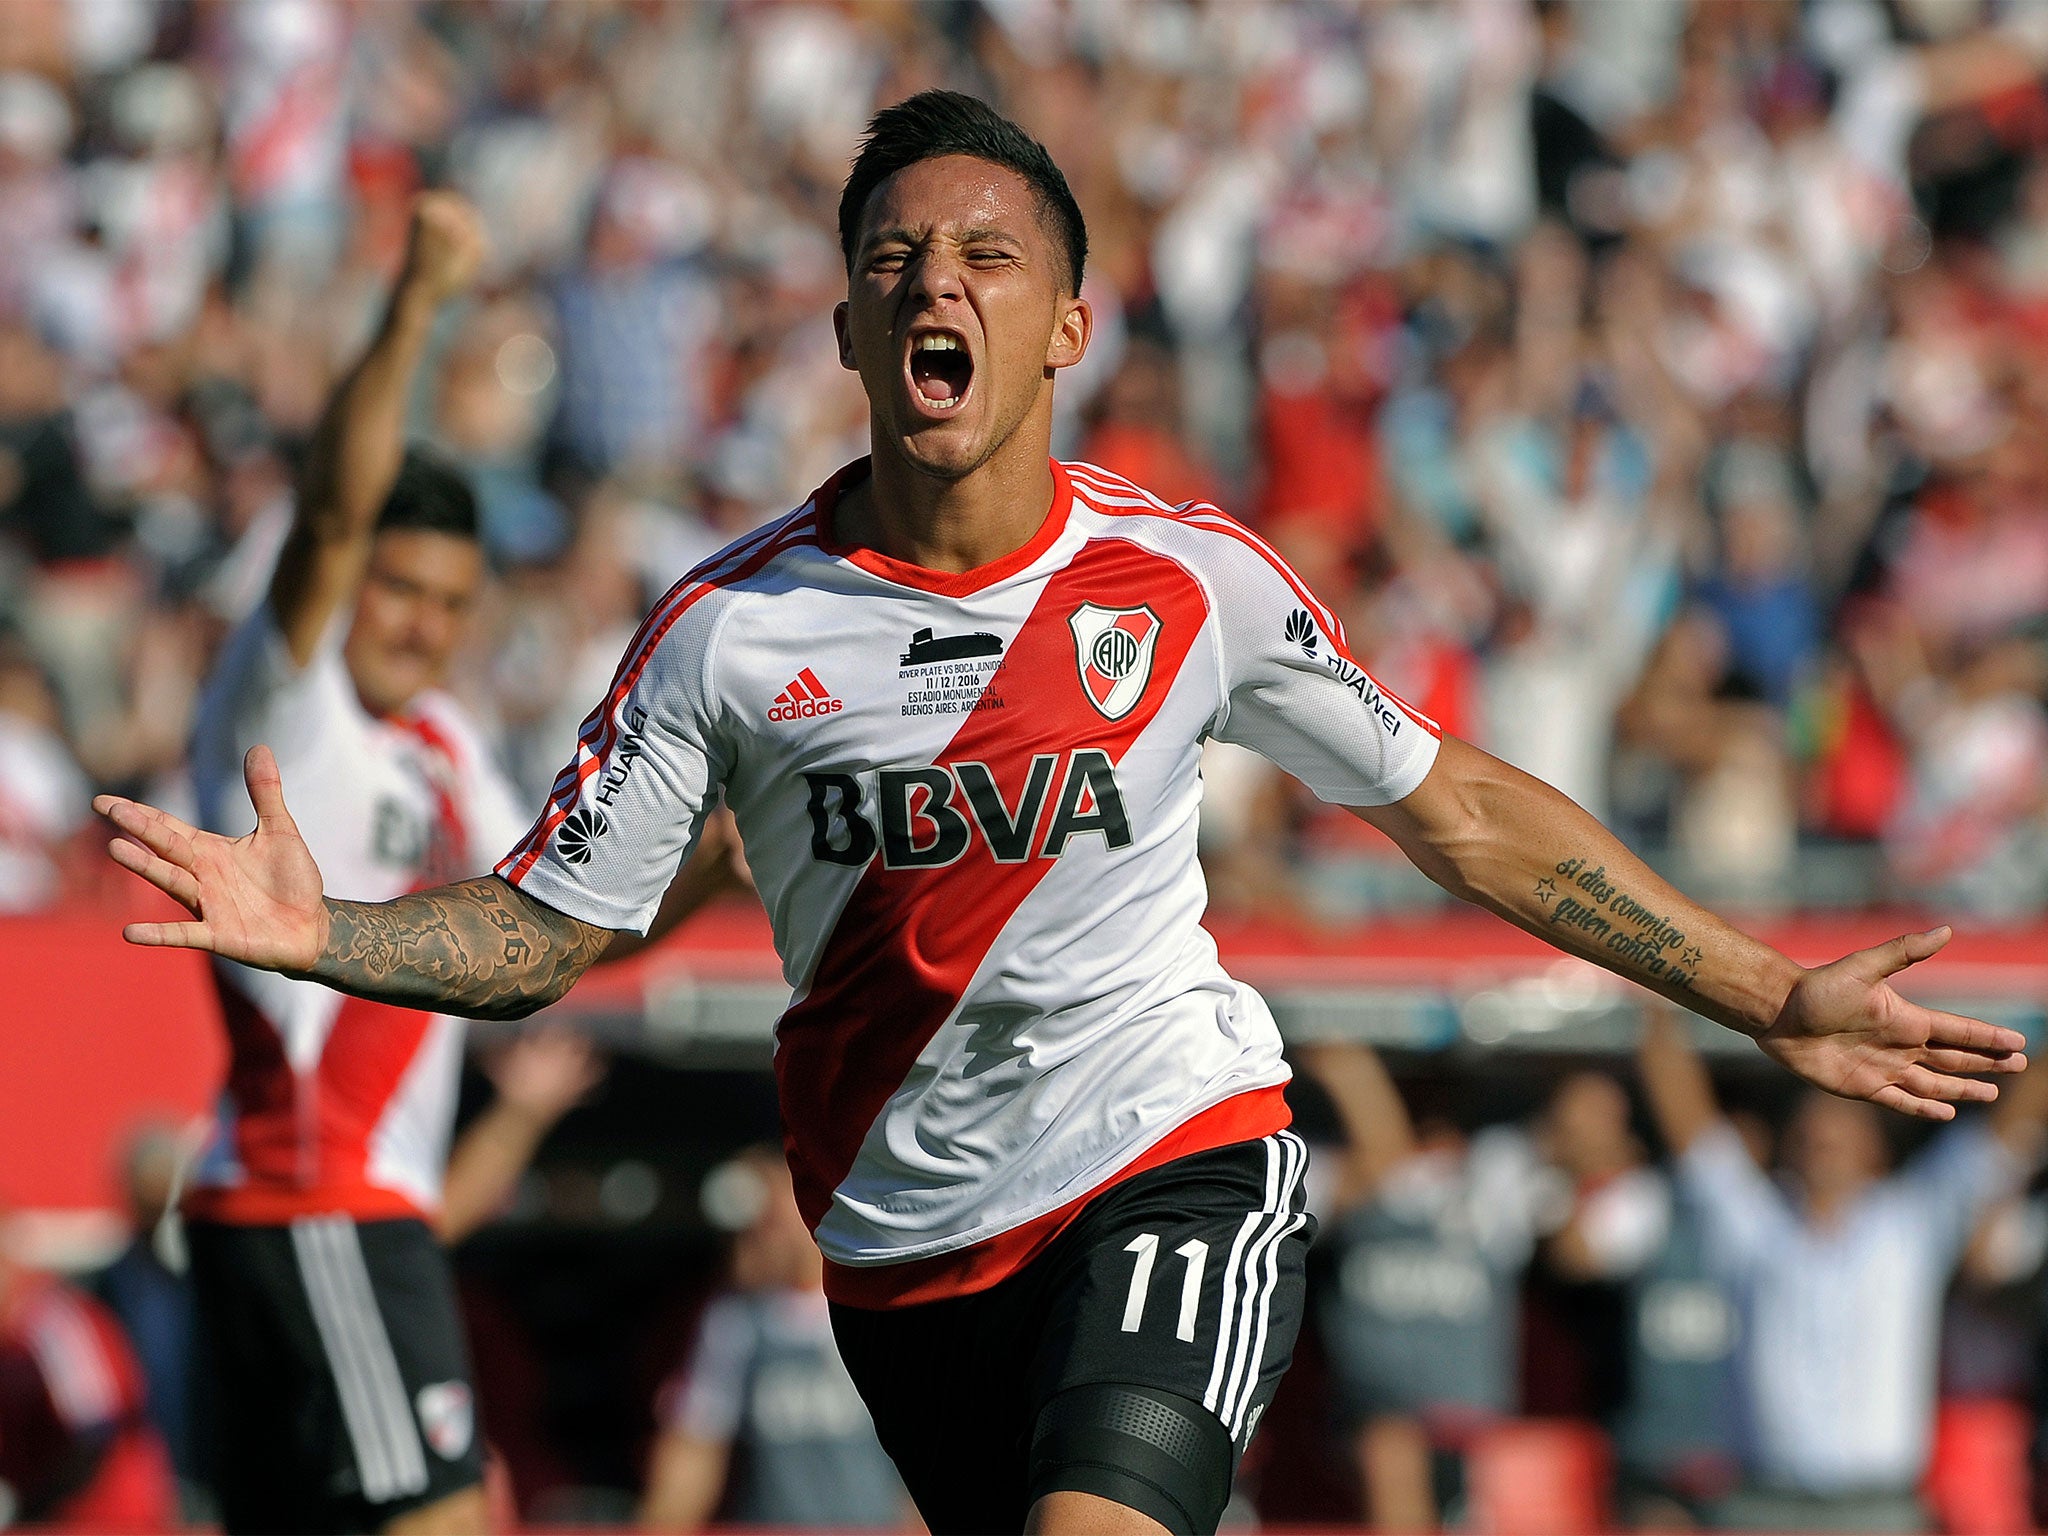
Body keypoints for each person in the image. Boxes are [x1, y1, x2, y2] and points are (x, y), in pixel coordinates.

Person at [96, 92, 2030, 1536]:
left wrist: (1762, 993)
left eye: (985, 256)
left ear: (1064, 330)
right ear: (849, 335)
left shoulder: (1187, 579)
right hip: (902, 1249)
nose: (933, 282)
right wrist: (330, 931)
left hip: (1169, 1149)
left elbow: (1465, 819)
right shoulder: (725, 632)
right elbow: (550, 930)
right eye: (890, 262)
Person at [156, 192, 737, 1536]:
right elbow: (326, 517)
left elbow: (545, 940)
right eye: (396, 588)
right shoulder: (287, 710)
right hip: (319, 1198)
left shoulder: (450, 749)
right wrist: (417, 306)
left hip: (341, 1213)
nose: (419, 624)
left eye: (448, 602)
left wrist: (709, 876)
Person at [1637, 1008, 2048, 1531]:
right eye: (1812, 1127)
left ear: (1875, 1146)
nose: (1824, 1136)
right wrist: (1659, 999)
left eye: (1842, 1125)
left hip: (1874, 1507)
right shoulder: (1756, 1227)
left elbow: (2002, 1138)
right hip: (1763, 1502)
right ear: (1790, 1143)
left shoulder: (1910, 1224)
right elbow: (1693, 1132)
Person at [1296, 1041, 1535, 1532]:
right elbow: (1381, 1170)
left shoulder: (1497, 1179)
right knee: (1391, 1453)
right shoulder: (1338, 1173)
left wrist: (1355, 1077)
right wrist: (1356, 1081)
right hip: (1375, 1400)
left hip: (1469, 1413)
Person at [639, 1146, 908, 1532]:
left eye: (771, 1221)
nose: (759, 1238)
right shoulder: (734, 1321)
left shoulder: (877, 1306)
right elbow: (694, 1444)